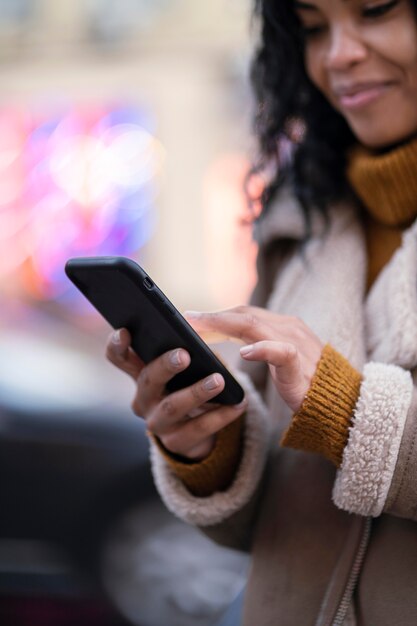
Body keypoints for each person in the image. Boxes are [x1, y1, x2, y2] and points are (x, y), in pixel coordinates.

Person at [106, 0, 417, 624]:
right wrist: (206, 448)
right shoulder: (297, 227)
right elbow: (273, 533)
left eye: (376, 10)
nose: (339, 55)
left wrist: (347, 407)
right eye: (312, 28)